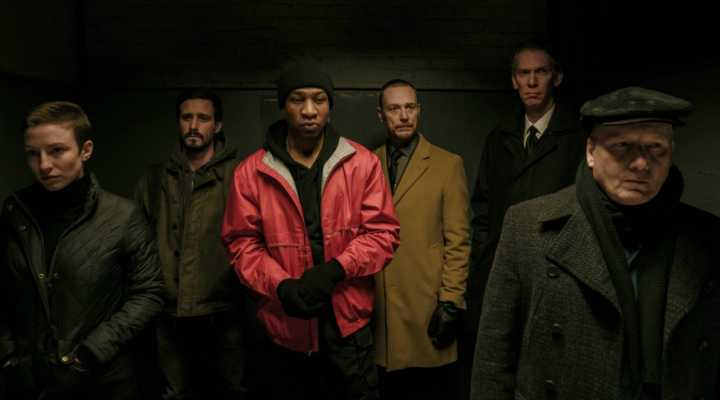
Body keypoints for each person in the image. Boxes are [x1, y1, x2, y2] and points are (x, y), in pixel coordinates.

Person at [471, 87, 720, 399]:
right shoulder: (527, 226)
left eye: (656, 148)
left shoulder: (707, 237)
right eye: (622, 147)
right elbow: (493, 360)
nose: (641, 164)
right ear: (590, 151)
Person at [221, 60, 400, 400]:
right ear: (283, 106)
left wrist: (336, 270)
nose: (308, 110)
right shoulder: (251, 172)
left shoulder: (363, 163)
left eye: (318, 99)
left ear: (330, 106)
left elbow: (383, 234)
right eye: (297, 99)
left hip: (348, 327)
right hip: (284, 328)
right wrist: (281, 285)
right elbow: (241, 243)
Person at [0, 101, 164, 399]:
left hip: (101, 378)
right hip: (31, 379)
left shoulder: (123, 216)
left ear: (85, 150)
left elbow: (149, 293)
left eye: (57, 150)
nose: (44, 165)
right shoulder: (15, 211)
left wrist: (89, 354)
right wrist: (10, 357)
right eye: (33, 154)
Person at [460, 42, 585, 396]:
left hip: (557, 268)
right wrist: (482, 261)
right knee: (499, 359)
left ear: (556, 78)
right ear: (513, 80)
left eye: (540, 72)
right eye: (524, 73)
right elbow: (482, 206)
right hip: (502, 267)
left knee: (547, 364)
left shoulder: (579, 137)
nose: (532, 82)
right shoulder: (499, 138)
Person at [134, 89, 247, 399]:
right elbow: (138, 244)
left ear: (217, 125)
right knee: (174, 392)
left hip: (224, 309)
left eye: (203, 118)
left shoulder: (240, 176)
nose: (194, 126)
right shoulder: (155, 179)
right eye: (187, 118)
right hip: (168, 310)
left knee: (230, 389)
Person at [372, 79, 470, 399]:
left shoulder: (447, 164)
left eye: (410, 107)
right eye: (394, 109)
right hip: (380, 308)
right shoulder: (366, 163)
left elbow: (459, 240)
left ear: (419, 111)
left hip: (427, 304)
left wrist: (451, 302)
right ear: (381, 115)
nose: (403, 116)